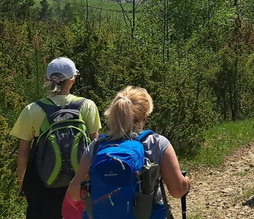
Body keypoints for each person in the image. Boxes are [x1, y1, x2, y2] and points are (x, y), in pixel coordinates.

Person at [66, 85, 189, 218]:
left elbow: (74, 193)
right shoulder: (157, 143)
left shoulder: (96, 147)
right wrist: (185, 183)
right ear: (144, 116)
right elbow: (177, 191)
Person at [9, 57, 101, 219]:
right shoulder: (88, 106)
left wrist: (23, 182)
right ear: (73, 79)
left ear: (46, 79)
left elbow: (23, 152)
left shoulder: (33, 109)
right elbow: (95, 146)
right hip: (78, 183)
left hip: (42, 184)